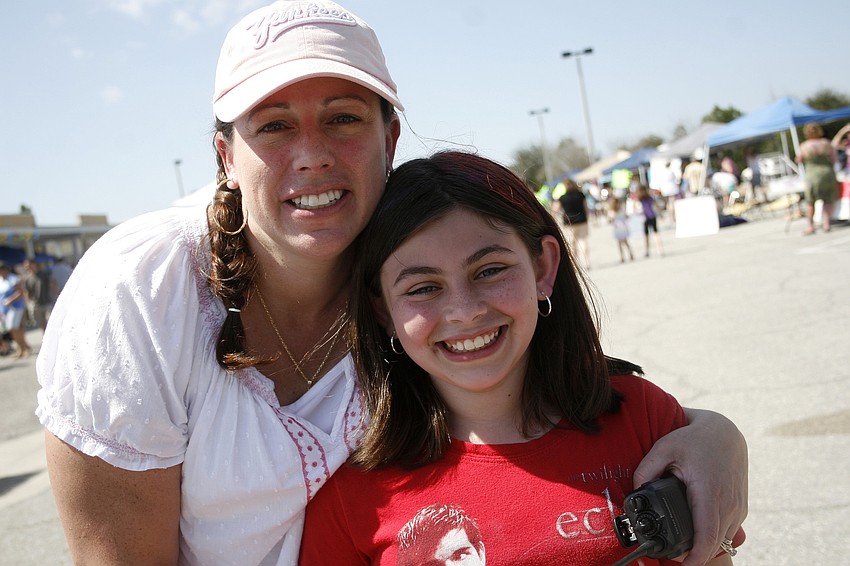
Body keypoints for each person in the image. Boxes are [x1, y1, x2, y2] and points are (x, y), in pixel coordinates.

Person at [36, 1, 746, 564]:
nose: (311, 155)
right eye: (274, 126)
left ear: (391, 138)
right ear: (225, 155)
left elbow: (544, 391)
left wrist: (713, 437)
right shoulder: (141, 292)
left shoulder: (409, 268)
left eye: (342, 118)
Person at [299, 151, 742, 564]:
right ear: (383, 310)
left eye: (489, 271)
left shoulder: (647, 421)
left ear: (543, 269)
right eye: (423, 287)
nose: (465, 310)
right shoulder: (350, 495)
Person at [796, 123, 839, 235]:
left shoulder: (805, 145)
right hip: (827, 172)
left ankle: (810, 226)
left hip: (812, 174)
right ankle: (826, 224)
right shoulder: (826, 143)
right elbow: (834, 160)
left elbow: (799, 159)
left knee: (811, 201)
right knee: (828, 199)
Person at [553, 178, 590, 269]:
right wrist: (587, 218)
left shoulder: (562, 197)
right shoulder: (580, 194)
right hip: (582, 220)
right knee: (583, 241)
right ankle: (587, 263)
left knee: (572, 244)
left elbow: (555, 210)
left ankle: (575, 265)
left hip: (569, 222)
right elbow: (586, 208)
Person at [0, 262, 31, 358]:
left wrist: (10, 300)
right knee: (12, 329)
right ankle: (23, 347)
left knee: (14, 327)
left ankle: (23, 348)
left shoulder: (12, 279)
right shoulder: (1, 280)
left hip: (16, 307)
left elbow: (21, 292)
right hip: (5, 309)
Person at [636, 184, 665, 258]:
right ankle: (660, 249)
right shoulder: (650, 198)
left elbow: (637, 208)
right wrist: (660, 213)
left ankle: (647, 250)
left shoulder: (640, 199)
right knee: (656, 233)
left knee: (646, 235)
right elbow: (656, 206)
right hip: (652, 216)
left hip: (645, 218)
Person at [609, 197, 635, 263]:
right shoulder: (616, 211)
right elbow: (610, 220)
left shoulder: (617, 211)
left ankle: (627, 255)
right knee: (622, 243)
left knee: (623, 243)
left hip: (620, 228)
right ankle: (625, 256)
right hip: (619, 228)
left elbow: (610, 220)